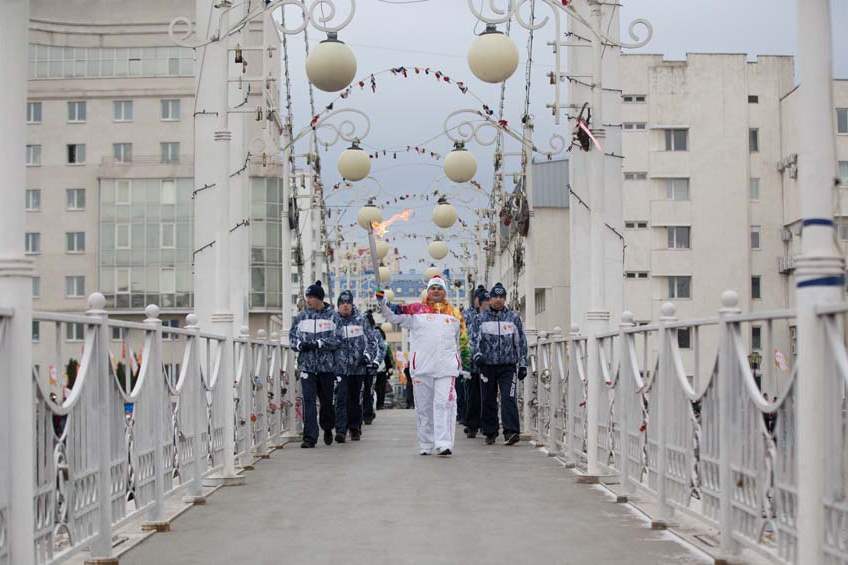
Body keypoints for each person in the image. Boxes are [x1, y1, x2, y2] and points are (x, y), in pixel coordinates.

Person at [377, 276, 470, 456]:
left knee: (445, 404)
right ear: (428, 291)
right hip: (421, 368)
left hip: (446, 368)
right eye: (433, 288)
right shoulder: (416, 310)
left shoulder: (454, 314)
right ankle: (426, 443)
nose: (436, 291)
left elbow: (463, 341)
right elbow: (393, 315)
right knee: (424, 408)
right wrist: (382, 302)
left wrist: (464, 363)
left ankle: (444, 443)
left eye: (439, 288)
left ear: (444, 292)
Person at [473, 282, 528, 446]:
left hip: (508, 366)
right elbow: (474, 340)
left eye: (501, 297)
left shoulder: (513, 318)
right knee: (488, 399)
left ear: (505, 299)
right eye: (495, 297)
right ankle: (490, 431)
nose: (498, 300)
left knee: (508, 397)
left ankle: (511, 432)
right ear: (489, 299)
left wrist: (523, 364)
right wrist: (477, 356)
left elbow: (521, 342)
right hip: (487, 365)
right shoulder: (480, 319)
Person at [289, 281, 340, 448]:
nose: (308, 300)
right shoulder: (301, 317)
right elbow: (292, 337)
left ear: (319, 298)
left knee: (326, 402)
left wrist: (318, 343)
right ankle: (309, 437)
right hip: (307, 367)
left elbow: (338, 339)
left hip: (326, 367)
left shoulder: (333, 317)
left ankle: (327, 427)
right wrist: (299, 345)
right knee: (308, 401)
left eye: (311, 297)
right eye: (307, 297)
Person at [332, 290, 374, 443]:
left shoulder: (361, 320)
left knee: (355, 400)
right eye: (342, 303)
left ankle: (355, 428)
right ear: (338, 305)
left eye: (348, 303)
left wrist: (367, 356)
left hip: (358, 368)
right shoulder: (333, 321)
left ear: (351, 304)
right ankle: (341, 430)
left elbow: (372, 341)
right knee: (341, 398)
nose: (345, 305)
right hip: (340, 368)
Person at [463, 286, 489, 439]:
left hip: (489, 362)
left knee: (487, 395)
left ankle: (486, 424)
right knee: (473, 395)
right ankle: (472, 424)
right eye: (484, 300)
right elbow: (467, 337)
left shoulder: (492, 315)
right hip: (472, 362)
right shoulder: (469, 315)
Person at [361, 310, 382, 425]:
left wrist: (376, 361)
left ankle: (368, 414)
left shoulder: (375, 333)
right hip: (359, 366)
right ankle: (359, 413)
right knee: (359, 391)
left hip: (371, 367)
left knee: (368, 391)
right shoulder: (358, 332)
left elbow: (381, 348)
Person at [374, 327, 395, 410]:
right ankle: (374, 404)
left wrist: (390, 367)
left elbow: (388, 357)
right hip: (372, 369)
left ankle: (380, 404)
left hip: (382, 369)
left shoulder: (385, 345)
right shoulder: (370, 343)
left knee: (381, 388)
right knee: (374, 387)